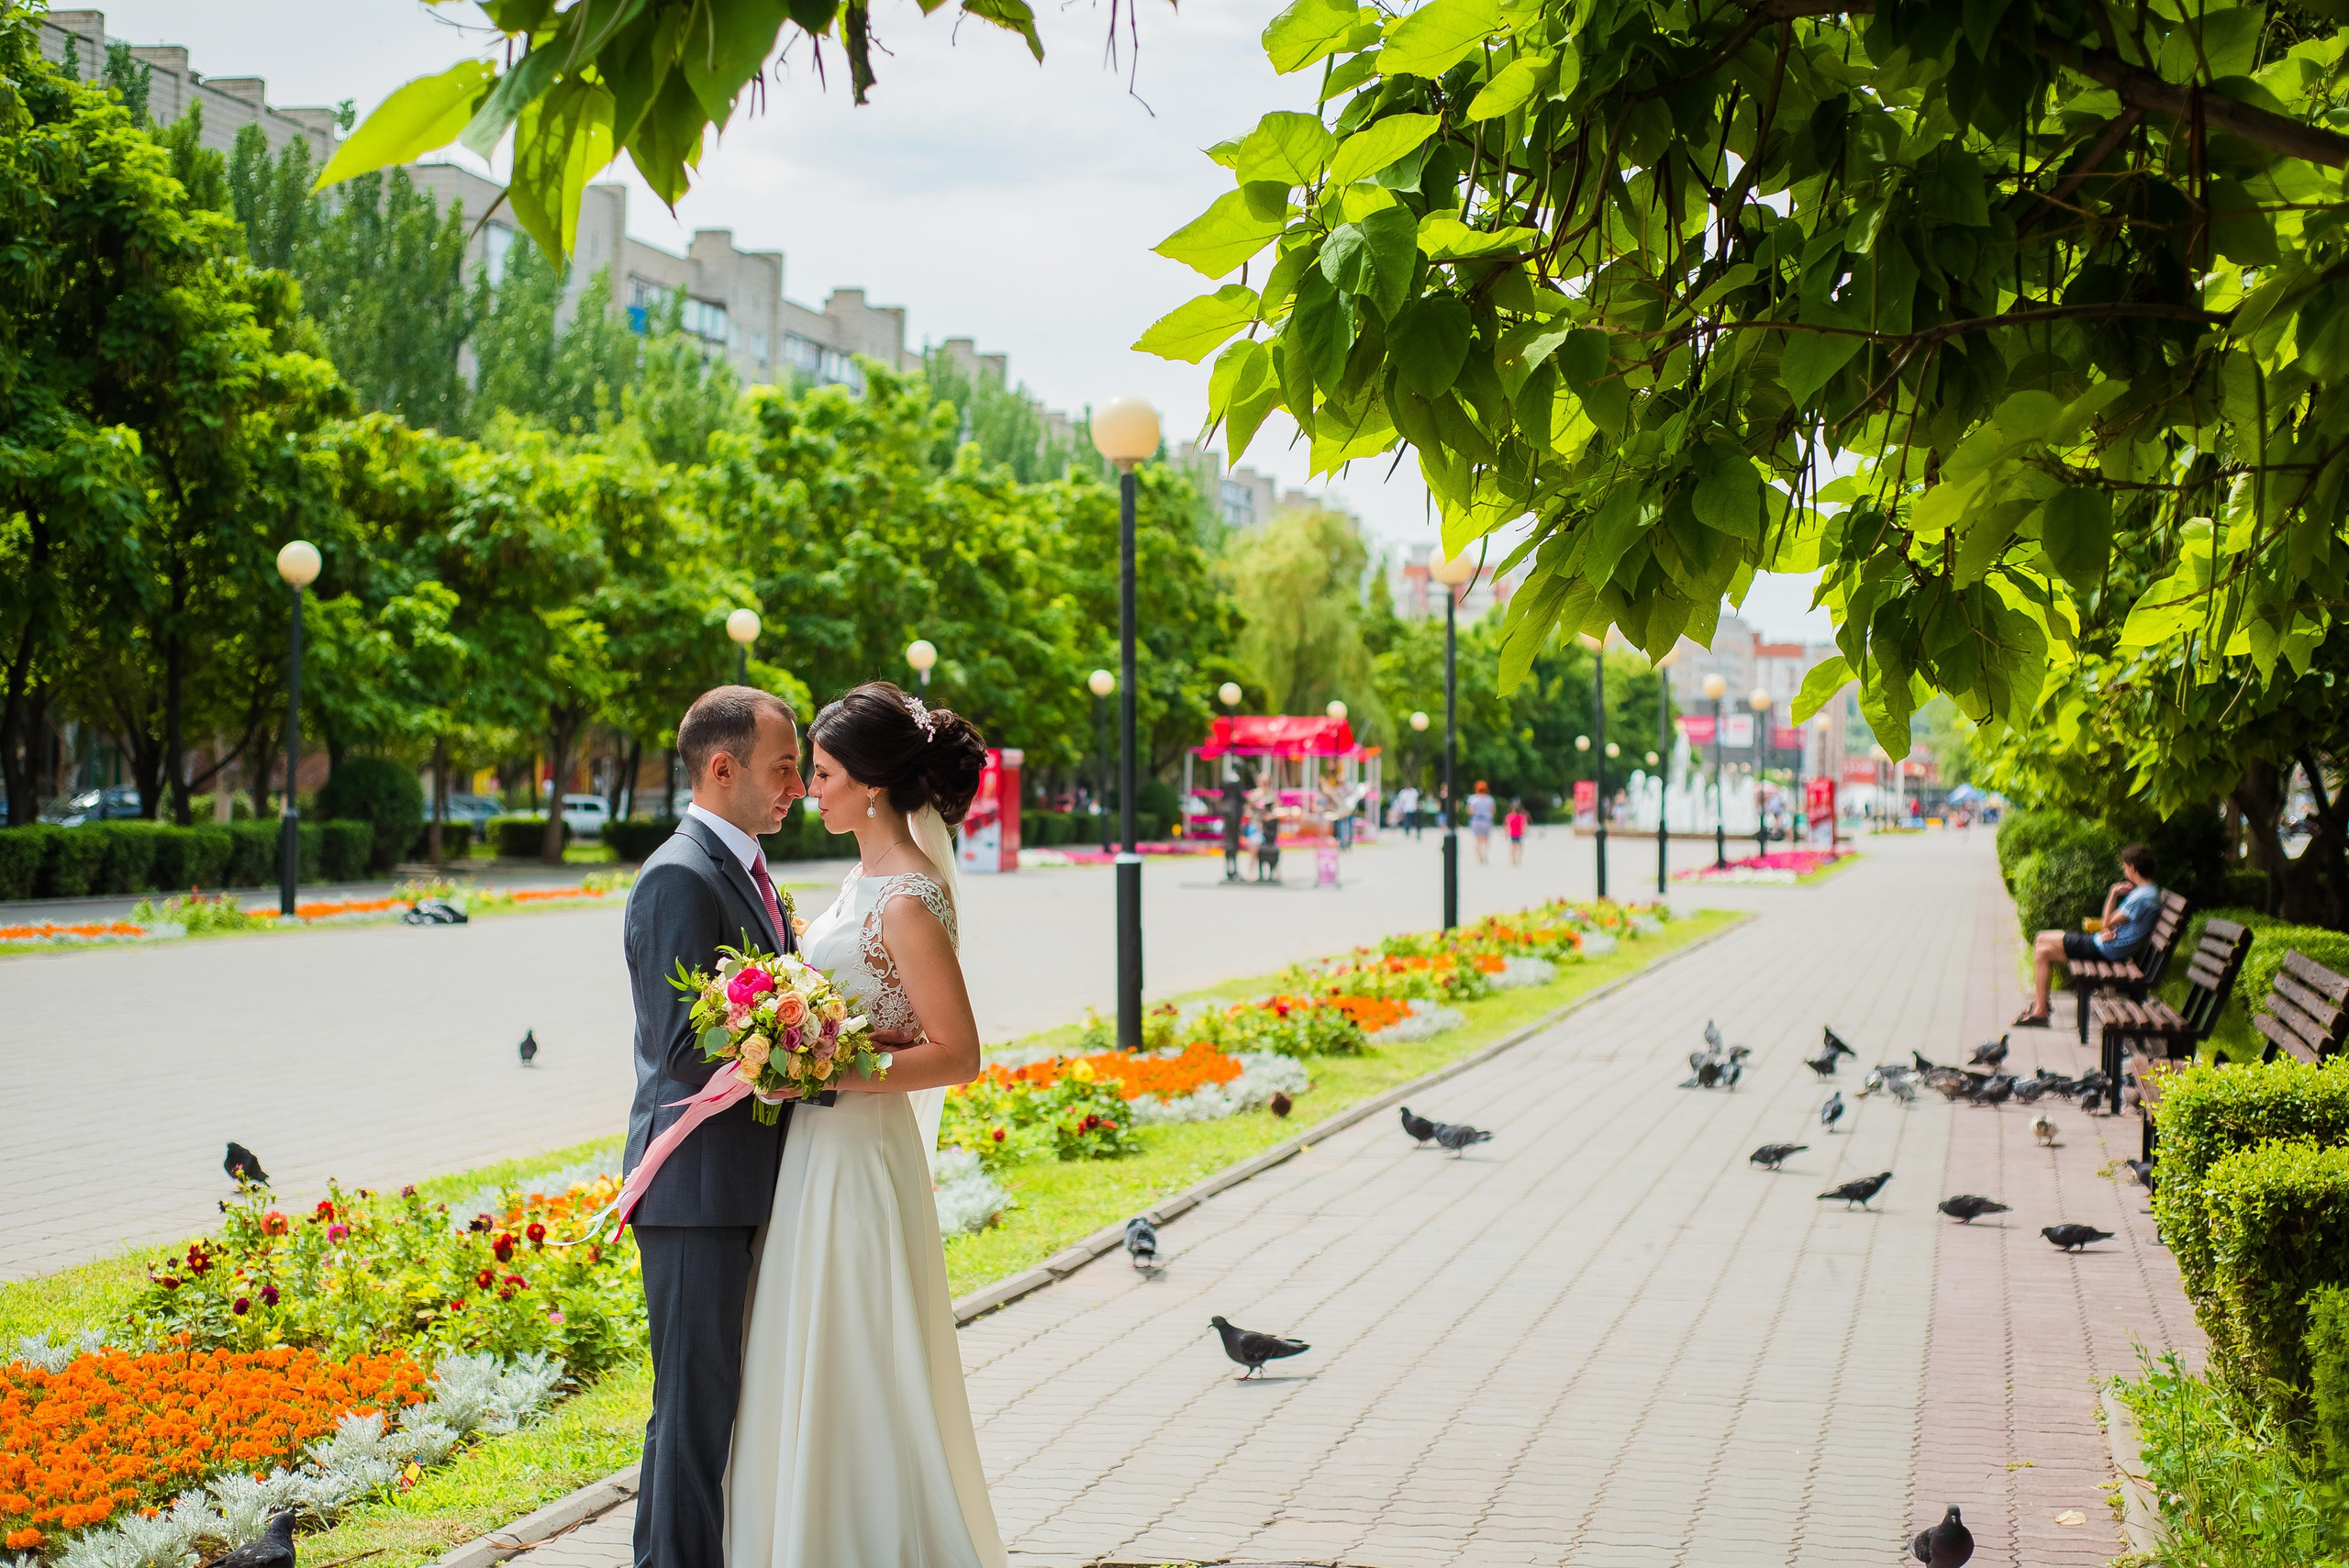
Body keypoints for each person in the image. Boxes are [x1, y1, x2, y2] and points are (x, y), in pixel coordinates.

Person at [726, 680, 1005, 1567]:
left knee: (855, 1351)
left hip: (857, 1153)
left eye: (825, 772)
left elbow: (958, 1053)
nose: (810, 788)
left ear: (875, 786)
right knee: (811, 1344)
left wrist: (830, 1064)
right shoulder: (864, 878)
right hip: (818, 1145)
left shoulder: (908, 900)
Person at [622, 686, 808, 1568]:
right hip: (695, 1188)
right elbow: (686, 1048)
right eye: (784, 768)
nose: (798, 787)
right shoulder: (678, 874)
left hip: (739, 1179)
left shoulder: (740, 868)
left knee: (715, 1407)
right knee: (692, 1413)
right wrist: (807, 1056)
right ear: (722, 767)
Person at [2015, 843, 2163, 1028]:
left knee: (2042, 950)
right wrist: (2108, 927)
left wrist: (2113, 893)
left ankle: (2041, 1010)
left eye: (2125, 866)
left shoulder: (2141, 897)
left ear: (2132, 868)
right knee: (2041, 940)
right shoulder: (2148, 893)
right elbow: (2111, 924)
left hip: (2107, 949)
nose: (2124, 870)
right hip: (2107, 945)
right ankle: (2040, 1005)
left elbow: (2106, 922)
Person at [1467, 781, 1496, 864]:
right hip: (1487, 820)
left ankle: (1479, 858)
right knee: (1486, 839)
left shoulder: (1472, 798)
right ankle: (1484, 855)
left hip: (1476, 820)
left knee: (1477, 840)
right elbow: (1493, 811)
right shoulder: (1489, 799)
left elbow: (1470, 811)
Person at [1505, 800, 1528, 866]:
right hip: (1519, 834)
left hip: (1513, 834)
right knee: (1519, 847)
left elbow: (1508, 826)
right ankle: (1518, 859)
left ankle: (1513, 859)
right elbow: (1524, 826)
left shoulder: (1509, 817)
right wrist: (1524, 832)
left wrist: (1506, 834)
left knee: (1513, 847)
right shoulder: (1522, 817)